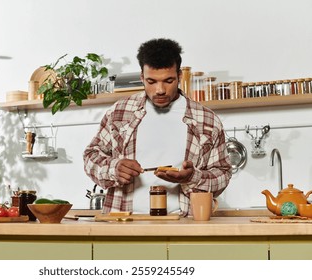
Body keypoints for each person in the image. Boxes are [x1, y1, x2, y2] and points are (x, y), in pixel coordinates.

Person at [83, 38, 232, 216]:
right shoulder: (119, 112)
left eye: (168, 81)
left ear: (179, 76)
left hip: (182, 223)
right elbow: (91, 156)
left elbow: (223, 174)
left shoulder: (207, 120)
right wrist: (114, 168)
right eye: (151, 81)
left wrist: (192, 178)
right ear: (141, 78)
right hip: (123, 223)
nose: (160, 90)